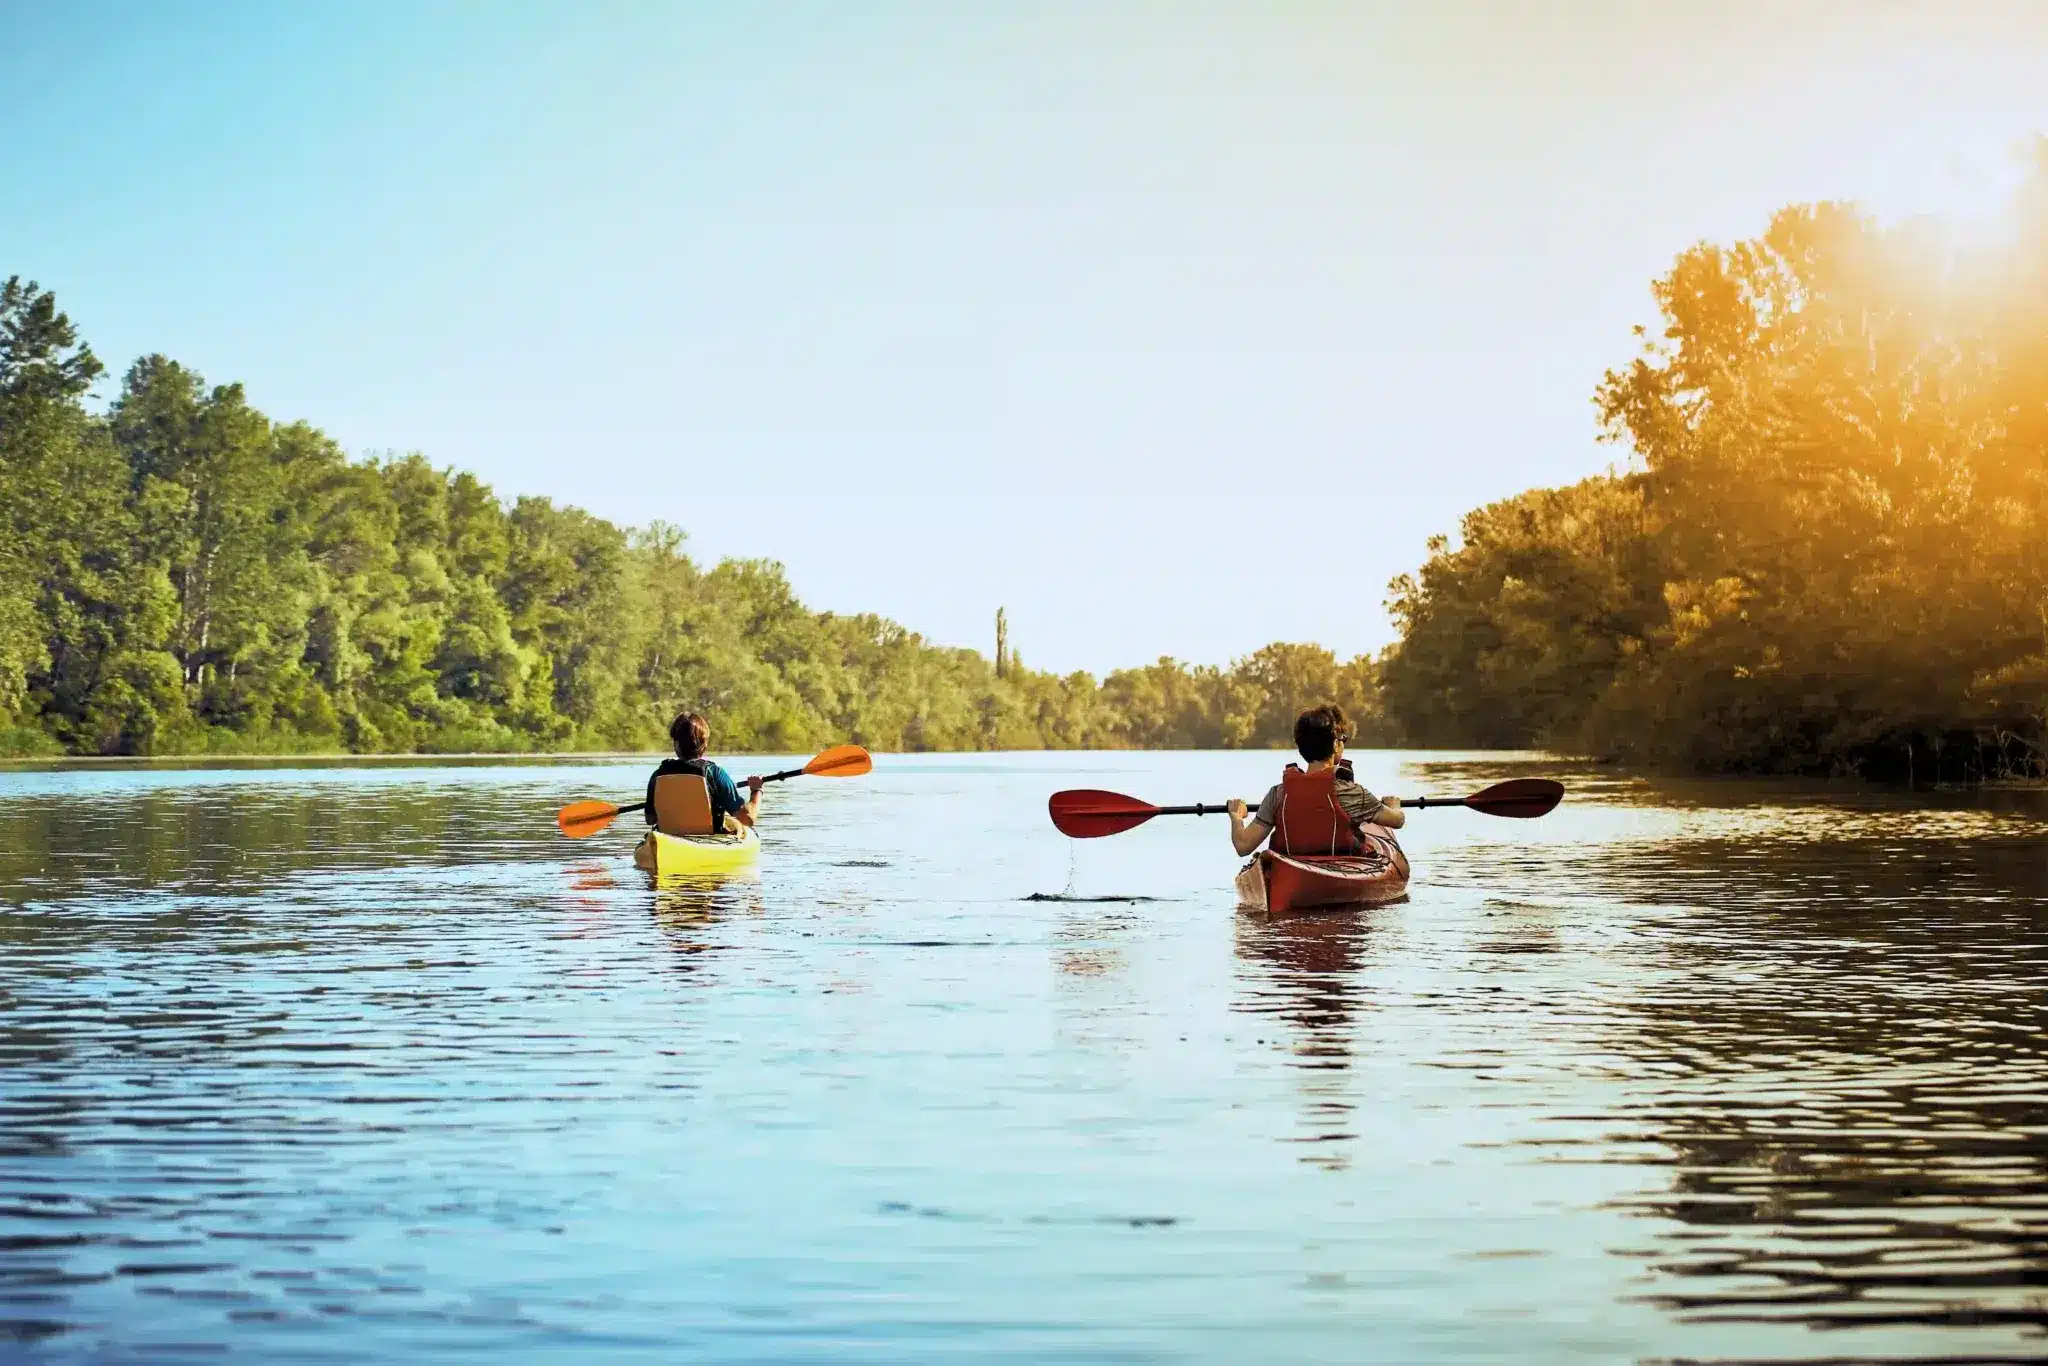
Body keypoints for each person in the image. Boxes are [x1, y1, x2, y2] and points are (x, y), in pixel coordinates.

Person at [1226, 704, 1403, 857]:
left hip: (1292, 872)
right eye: (1343, 740)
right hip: (1342, 869)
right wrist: (1393, 806)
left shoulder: (1278, 794)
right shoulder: (1352, 792)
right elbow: (1397, 821)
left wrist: (1236, 816)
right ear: (1335, 744)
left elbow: (1243, 846)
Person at [646, 712, 762, 835]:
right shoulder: (715, 773)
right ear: (704, 744)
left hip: (669, 840)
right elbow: (748, 818)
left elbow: (650, 819)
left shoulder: (658, 775)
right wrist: (756, 791)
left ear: (676, 744)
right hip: (708, 841)